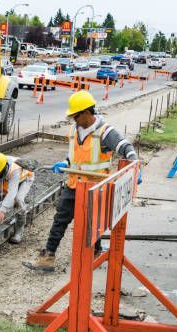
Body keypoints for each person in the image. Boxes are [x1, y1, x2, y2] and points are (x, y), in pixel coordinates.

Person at [24, 91, 140, 272]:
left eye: (75, 116)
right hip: (73, 185)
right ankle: (48, 257)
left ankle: (95, 252)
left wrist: (134, 166)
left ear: (86, 113)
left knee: (92, 224)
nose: (73, 120)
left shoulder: (104, 132)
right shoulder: (74, 130)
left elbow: (126, 148)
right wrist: (65, 162)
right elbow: (74, 157)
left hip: (94, 188)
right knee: (60, 220)